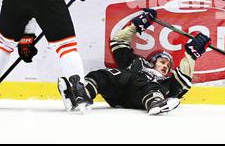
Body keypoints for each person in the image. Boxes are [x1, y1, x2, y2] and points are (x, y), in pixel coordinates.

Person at [58, 9, 211, 115]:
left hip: (140, 98)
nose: (165, 66)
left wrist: (191, 55)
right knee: (103, 75)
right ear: (152, 61)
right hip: (118, 93)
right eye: (162, 62)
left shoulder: (166, 81)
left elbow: (182, 82)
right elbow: (119, 42)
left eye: (168, 66)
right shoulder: (137, 63)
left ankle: (155, 104)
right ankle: (78, 95)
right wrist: (136, 25)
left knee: (152, 86)